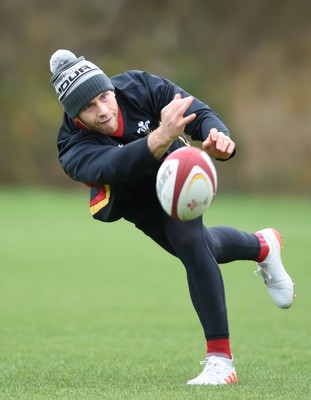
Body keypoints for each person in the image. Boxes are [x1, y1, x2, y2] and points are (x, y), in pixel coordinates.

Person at [49, 49, 295, 385]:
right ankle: (263, 245)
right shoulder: (71, 144)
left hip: (176, 173)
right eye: (88, 107)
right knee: (204, 248)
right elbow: (111, 166)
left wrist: (217, 136)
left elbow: (198, 112)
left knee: (190, 242)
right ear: (75, 115)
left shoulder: (138, 86)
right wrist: (159, 136)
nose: (103, 110)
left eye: (104, 96)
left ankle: (221, 361)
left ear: (111, 88)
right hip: (132, 198)